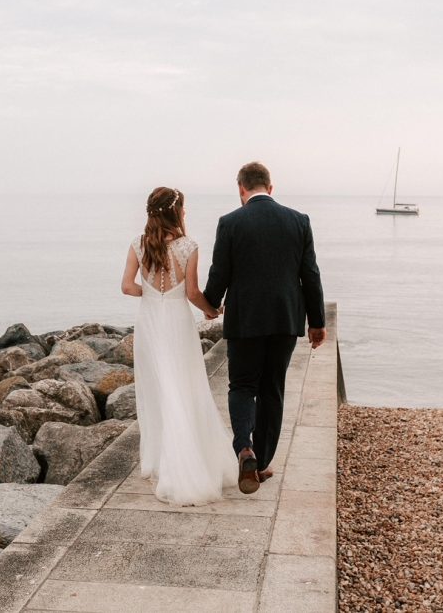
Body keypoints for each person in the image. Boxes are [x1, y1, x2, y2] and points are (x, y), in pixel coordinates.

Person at [203, 162, 326, 494]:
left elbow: (219, 274)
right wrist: (317, 323)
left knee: (242, 385)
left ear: (241, 189)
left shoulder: (230, 223)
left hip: (245, 319)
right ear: (270, 188)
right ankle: (263, 460)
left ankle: (245, 449)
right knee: (272, 387)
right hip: (285, 320)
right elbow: (310, 275)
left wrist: (210, 303)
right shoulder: (298, 221)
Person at [121, 187, 238, 505]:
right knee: (183, 387)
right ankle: (185, 463)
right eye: (183, 208)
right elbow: (191, 292)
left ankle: (162, 461)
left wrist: (151, 295)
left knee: (160, 389)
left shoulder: (138, 244)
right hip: (177, 322)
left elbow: (127, 286)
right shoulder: (189, 247)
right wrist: (210, 309)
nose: (186, 213)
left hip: (150, 323)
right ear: (176, 212)